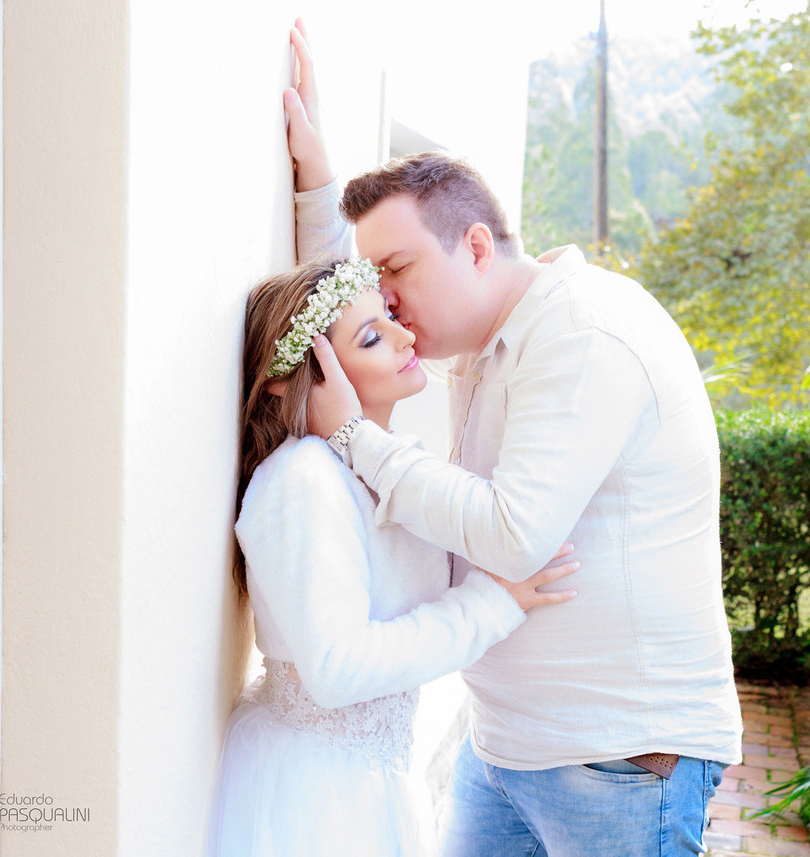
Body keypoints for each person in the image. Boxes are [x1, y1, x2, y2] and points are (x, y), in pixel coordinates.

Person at [283, 22, 742, 856]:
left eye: (395, 272)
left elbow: (514, 533)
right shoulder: (480, 337)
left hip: (620, 763)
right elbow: (340, 333)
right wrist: (318, 186)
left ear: (478, 246)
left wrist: (354, 438)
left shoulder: (582, 333)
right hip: (502, 748)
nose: (383, 301)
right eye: (374, 278)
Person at [205, 258, 578, 857]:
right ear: (306, 373)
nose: (406, 338)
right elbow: (338, 668)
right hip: (320, 797)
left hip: (372, 779)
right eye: (373, 337)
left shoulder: (384, 464)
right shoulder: (303, 482)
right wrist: (491, 604)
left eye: (392, 318)